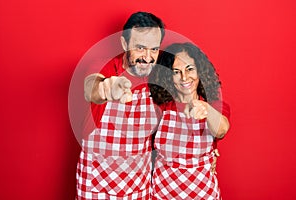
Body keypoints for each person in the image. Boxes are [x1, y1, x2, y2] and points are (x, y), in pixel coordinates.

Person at [76, 11, 165, 199]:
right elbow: (91, 86)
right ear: (125, 44)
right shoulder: (104, 66)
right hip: (96, 184)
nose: (148, 57)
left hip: (137, 186)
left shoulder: (158, 77)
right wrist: (105, 89)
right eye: (140, 48)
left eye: (154, 49)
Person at [148, 42, 230, 199]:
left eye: (189, 69)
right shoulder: (160, 107)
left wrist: (205, 108)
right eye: (176, 72)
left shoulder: (214, 105)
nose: (184, 77)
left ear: (200, 70)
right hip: (163, 192)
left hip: (203, 193)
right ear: (168, 76)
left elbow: (222, 129)